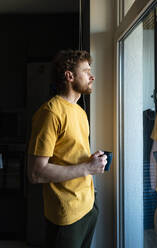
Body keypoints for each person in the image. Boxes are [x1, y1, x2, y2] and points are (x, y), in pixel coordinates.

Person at [27, 50, 107, 248]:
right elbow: (36, 173)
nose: (92, 76)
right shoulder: (50, 113)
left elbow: (68, 155)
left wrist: (91, 161)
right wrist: (88, 168)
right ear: (69, 76)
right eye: (86, 71)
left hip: (89, 205)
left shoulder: (80, 112)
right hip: (66, 216)